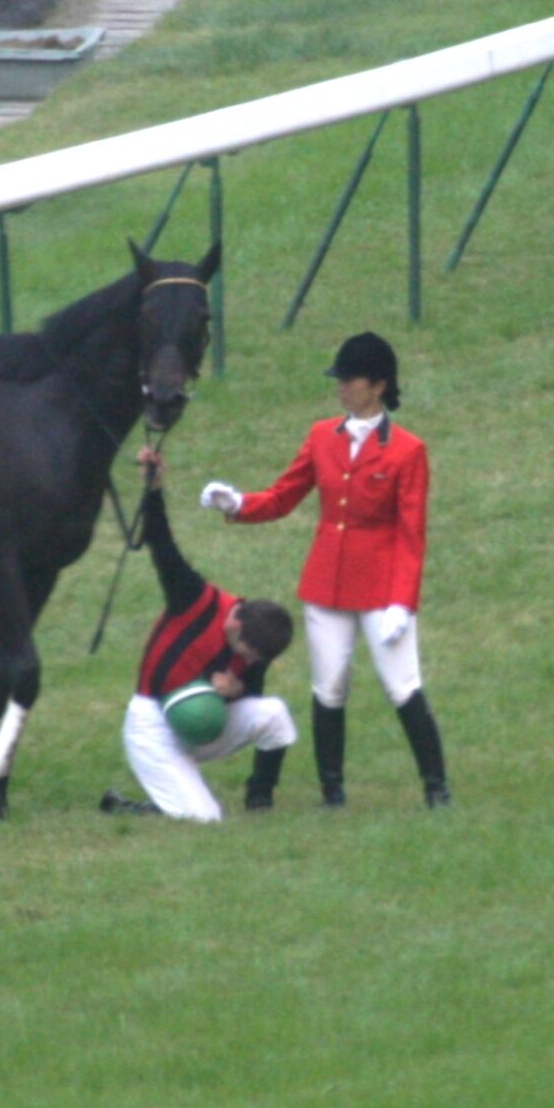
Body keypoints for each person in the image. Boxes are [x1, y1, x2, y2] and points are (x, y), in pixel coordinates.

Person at [201, 331, 450, 810]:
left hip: (381, 589)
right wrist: (237, 503)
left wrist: (402, 601)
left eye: (349, 380)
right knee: (329, 686)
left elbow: (410, 533)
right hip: (327, 584)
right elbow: (282, 497)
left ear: (377, 386)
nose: (340, 388)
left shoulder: (406, 451)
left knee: (403, 686)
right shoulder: (321, 437)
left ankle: (436, 787)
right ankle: (331, 791)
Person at [100, 445, 299, 822]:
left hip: (203, 722)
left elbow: (253, 690)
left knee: (276, 715)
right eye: (248, 653)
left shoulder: (259, 642)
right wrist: (154, 488)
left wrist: (239, 690)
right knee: (205, 819)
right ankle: (132, 810)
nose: (250, 662)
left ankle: (260, 800)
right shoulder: (194, 598)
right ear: (236, 625)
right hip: (152, 720)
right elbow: (162, 545)